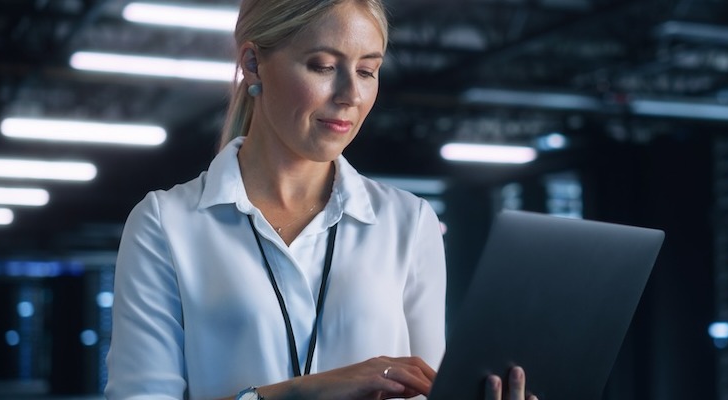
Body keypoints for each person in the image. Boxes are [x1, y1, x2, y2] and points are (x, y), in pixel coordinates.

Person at [105, 0, 534, 399]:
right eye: (324, 66)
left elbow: (426, 389)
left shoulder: (409, 221)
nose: (350, 94)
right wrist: (295, 393)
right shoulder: (166, 222)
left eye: (367, 71)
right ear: (254, 65)